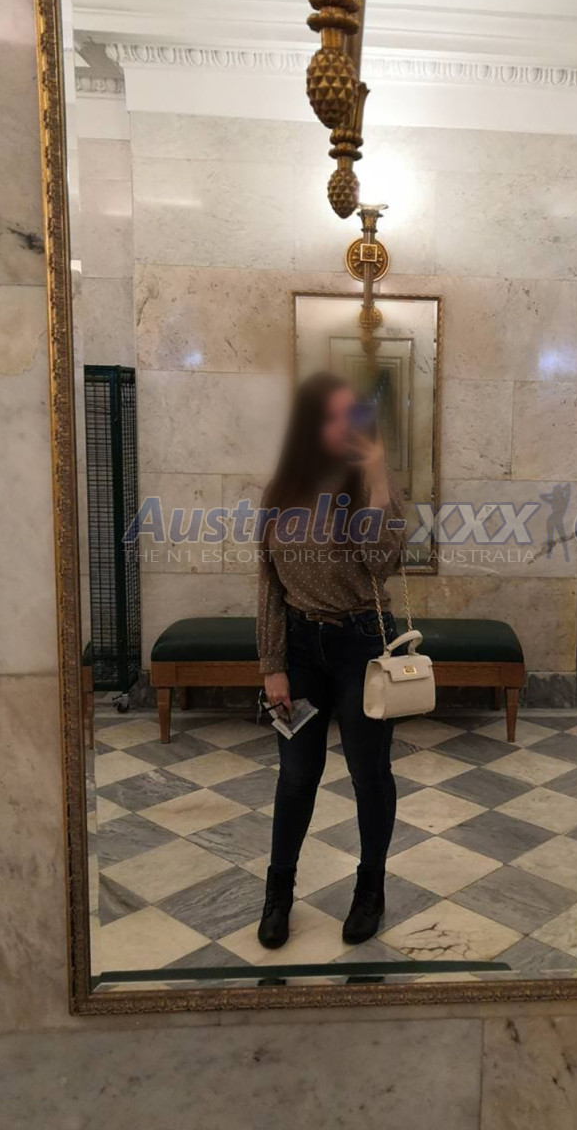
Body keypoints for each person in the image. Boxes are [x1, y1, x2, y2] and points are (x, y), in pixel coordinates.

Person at [256, 370, 404, 950]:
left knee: (369, 773)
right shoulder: (280, 490)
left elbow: (383, 559)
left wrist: (376, 474)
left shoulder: (371, 483)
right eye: (335, 415)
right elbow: (269, 583)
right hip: (299, 650)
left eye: (354, 414)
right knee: (296, 776)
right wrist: (272, 664)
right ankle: (278, 893)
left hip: (362, 645)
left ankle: (370, 888)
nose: (348, 425)